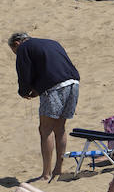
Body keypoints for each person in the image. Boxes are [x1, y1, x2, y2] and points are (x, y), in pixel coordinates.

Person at [8, 32, 80, 182]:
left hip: (55, 88)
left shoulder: (23, 48)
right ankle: (58, 169)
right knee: (60, 128)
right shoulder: (51, 42)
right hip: (73, 83)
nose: (16, 54)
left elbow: (24, 71)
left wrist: (24, 91)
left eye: (14, 52)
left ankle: (46, 173)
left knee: (45, 129)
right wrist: (37, 88)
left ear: (16, 44)